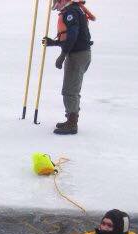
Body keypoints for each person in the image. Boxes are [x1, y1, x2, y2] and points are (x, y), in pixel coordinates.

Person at [42, 0, 95, 135]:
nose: (55, 4)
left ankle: (72, 124)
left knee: (69, 90)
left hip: (77, 56)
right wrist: (54, 43)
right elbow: (72, 38)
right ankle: (71, 119)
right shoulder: (75, 10)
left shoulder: (71, 12)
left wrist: (62, 55)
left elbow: (73, 35)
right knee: (73, 89)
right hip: (81, 54)